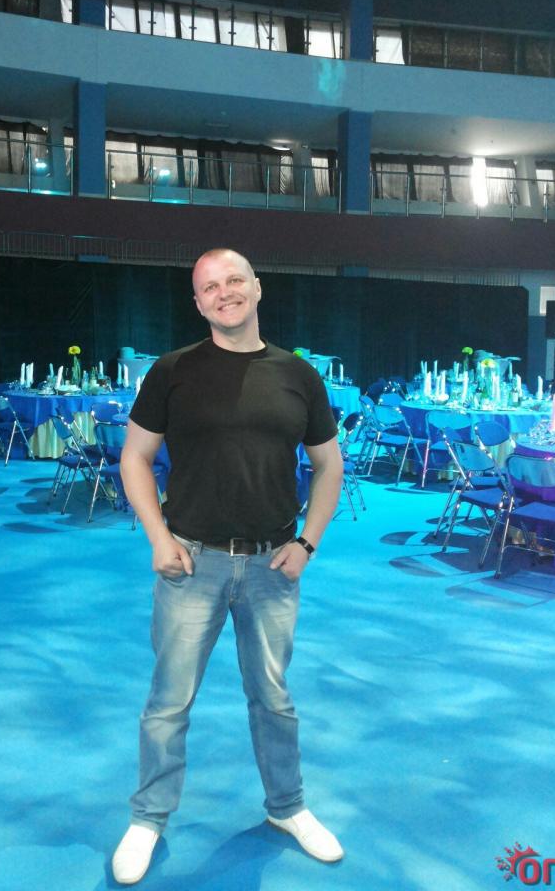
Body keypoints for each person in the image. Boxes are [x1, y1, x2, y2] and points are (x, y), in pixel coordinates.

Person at [111, 248, 345, 885]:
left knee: (273, 699)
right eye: (210, 287)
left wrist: (308, 543)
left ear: (257, 288)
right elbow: (135, 458)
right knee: (169, 701)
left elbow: (329, 466)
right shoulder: (172, 371)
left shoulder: (298, 375)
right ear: (198, 303)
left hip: (273, 568)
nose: (224, 293)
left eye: (234, 280)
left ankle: (287, 807)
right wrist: (158, 537)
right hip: (192, 565)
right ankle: (149, 817)